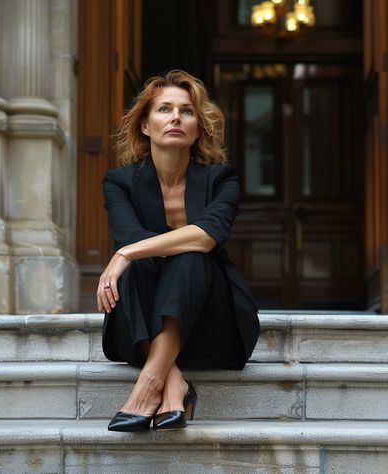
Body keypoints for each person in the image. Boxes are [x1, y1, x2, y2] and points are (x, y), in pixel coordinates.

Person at [98, 70, 260, 432]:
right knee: (139, 262)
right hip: (139, 328)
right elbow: (129, 237)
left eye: (186, 112)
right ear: (144, 125)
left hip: (211, 323)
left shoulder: (222, 178)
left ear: (199, 129)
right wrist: (130, 252)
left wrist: (125, 254)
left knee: (189, 254)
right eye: (164, 109)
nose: (175, 117)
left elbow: (206, 236)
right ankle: (172, 385)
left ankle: (148, 384)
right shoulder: (119, 182)